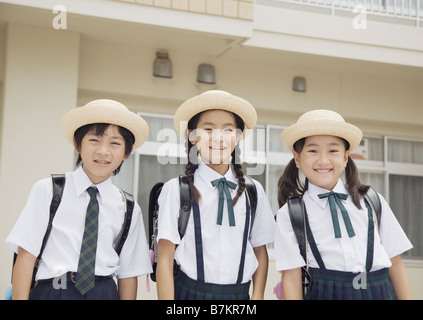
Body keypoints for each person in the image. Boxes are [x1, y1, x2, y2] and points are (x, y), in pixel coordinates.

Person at [6, 99, 152, 300]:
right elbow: (26, 256)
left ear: (126, 152)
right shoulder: (48, 190)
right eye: (94, 140)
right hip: (53, 291)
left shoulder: (128, 207)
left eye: (115, 143)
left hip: (104, 292)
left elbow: (128, 274)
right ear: (77, 144)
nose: (103, 150)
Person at [274, 109, 413, 300]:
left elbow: (395, 263)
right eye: (313, 150)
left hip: (379, 292)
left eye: (333, 150)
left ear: (346, 157)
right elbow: (291, 277)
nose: (323, 160)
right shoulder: (290, 213)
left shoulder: (372, 201)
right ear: (297, 158)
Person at [156, 90, 275, 300]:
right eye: (208, 129)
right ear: (192, 136)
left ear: (238, 137)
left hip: (239, 296)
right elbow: (165, 257)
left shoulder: (253, 191)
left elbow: (259, 250)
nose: (218, 137)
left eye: (228, 130)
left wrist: (257, 297)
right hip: (189, 295)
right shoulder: (176, 189)